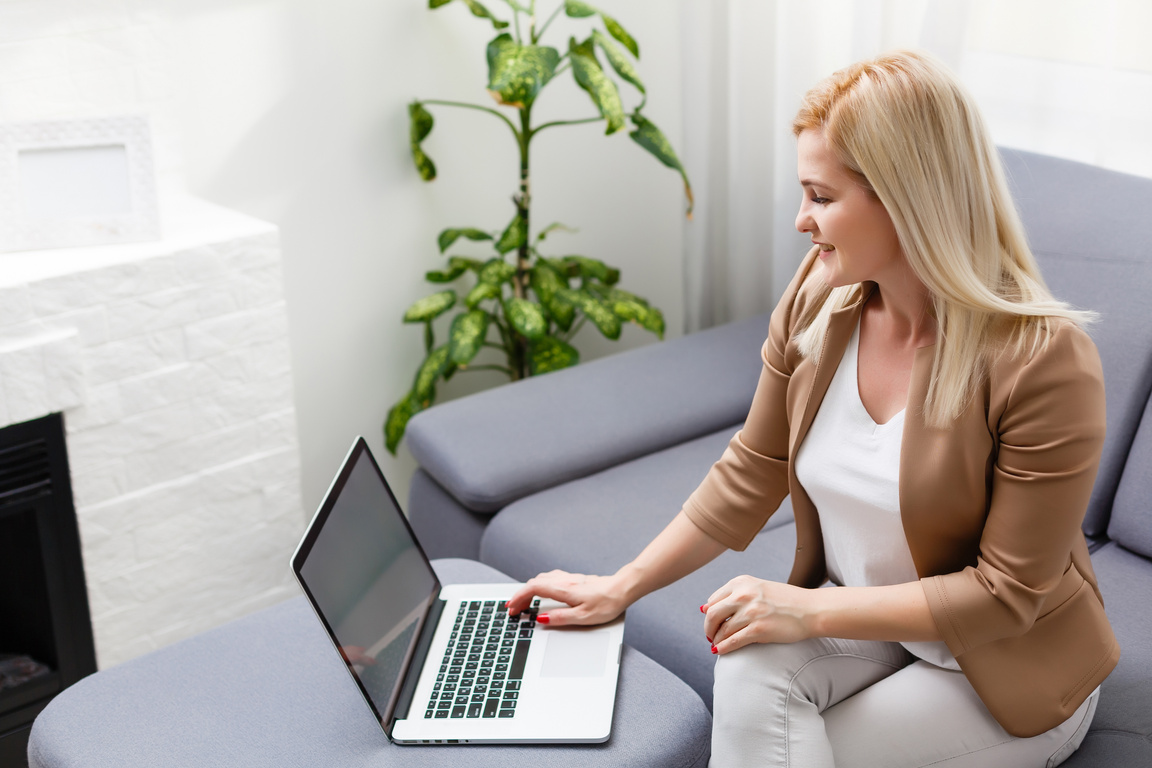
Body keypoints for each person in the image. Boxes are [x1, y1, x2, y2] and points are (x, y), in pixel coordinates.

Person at [505, 50, 1119, 767]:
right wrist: (622, 587)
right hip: (873, 622)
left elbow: (1004, 594)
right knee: (745, 664)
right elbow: (752, 468)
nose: (801, 221)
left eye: (821, 197)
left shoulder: (1043, 359)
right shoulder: (820, 296)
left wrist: (805, 608)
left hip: (1001, 667)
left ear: (906, 199)